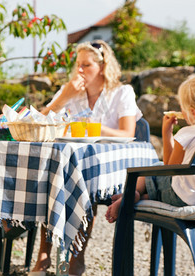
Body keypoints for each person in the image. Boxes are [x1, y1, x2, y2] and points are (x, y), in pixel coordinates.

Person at [30, 40, 142, 276]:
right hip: (72, 163)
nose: (80, 70)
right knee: (51, 178)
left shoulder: (121, 93)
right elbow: (38, 122)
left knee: (81, 181)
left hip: (108, 170)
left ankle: (76, 258)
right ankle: (43, 255)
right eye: (78, 65)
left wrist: (92, 127)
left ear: (102, 67)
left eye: (86, 65)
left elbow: (127, 132)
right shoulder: (71, 92)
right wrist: (63, 98)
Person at [105, 74, 195, 224]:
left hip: (181, 197)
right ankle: (140, 197)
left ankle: (133, 194)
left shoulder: (188, 134)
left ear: (192, 112)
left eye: (182, 107)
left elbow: (169, 168)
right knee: (161, 178)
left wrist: (167, 134)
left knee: (153, 168)